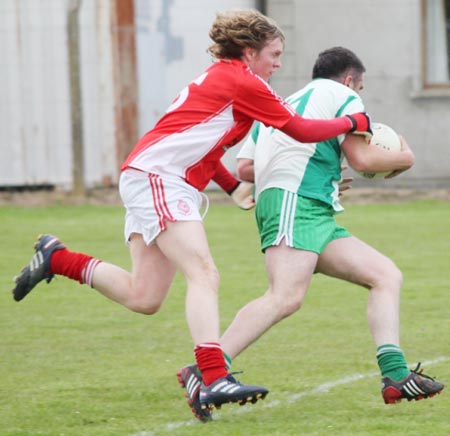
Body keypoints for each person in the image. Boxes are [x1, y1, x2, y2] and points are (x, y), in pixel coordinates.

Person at [12, 11, 372, 422]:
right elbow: (301, 130)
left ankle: (56, 258)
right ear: (250, 52)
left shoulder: (224, 76)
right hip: (159, 178)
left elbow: (199, 141)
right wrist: (355, 121)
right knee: (204, 273)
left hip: (152, 175)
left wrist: (232, 186)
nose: (278, 63)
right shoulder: (243, 81)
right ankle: (214, 376)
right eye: (274, 54)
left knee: (144, 297)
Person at [178, 46, 444, 421]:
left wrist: (322, 175)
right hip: (295, 203)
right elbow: (364, 159)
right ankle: (205, 371)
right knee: (285, 296)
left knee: (385, 275)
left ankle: (396, 377)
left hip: (308, 204)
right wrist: (404, 158)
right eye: (361, 87)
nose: (360, 95)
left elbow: (246, 166)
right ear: (350, 79)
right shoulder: (344, 96)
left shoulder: (282, 100)